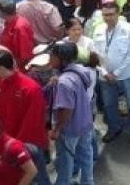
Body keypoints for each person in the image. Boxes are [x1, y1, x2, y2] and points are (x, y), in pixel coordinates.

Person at [0, 49, 49, 183]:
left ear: (1, 67)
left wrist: (16, 146)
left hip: (28, 143)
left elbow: (33, 122)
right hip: (5, 141)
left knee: (37, 177)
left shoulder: (30, 88)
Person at [93, 0, 130, 146]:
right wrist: (104, 72)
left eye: (111, 14)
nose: (108, 18)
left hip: (126, 75)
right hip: (105, 76)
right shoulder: (98, 29)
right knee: (109, 105)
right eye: (105, 15)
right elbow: (95, 54)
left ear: (118, 13)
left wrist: (115, 73)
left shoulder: (129, 29)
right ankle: (114, 128)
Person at [48, 41, 95, 185]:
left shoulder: (64, 82)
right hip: (86, 123)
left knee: (65, 163)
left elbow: (67, 109)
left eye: (52, 57)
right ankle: (87, 182)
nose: (50, 60)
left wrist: (57, 129)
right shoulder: (81, 71)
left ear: (61, 59)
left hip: (70, 129)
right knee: (86, 156)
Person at [0, 0, 35, 69]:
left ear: (3, 13)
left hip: (17, 67)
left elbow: (24, 56)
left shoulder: (19, 28)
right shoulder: (9, 22)